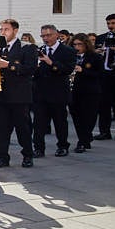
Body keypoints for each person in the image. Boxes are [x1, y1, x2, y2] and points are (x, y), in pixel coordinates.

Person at [0, 19, 38, 168]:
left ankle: (27, 156)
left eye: (6, 29)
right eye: (1, 29)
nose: (3, 32)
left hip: (19, 96)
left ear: (15, 30)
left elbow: (30, 69)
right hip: (1, 95)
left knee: (22, 128)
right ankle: (2, 157)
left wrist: (9, 65)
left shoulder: (27, 47)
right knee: (1, 130)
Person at [32, 24, 78, 158]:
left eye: (48, 35)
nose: (46, 38)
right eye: (43, 36)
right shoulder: (40, 50)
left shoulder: (68, 51)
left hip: (58, 92)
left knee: (60, 121)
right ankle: (38, 148)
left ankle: (63, 146)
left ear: (56, 34)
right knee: (39, 123)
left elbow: (68, 69)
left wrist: (51, 62)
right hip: (40, 92)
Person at [69, 33, 104, 153]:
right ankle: (84, 138)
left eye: (80, 44)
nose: (77, 47)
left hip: (90, 91)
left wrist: (83, 70)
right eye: (74, 44)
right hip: (74, 91)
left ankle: (83, 141)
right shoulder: (70, 56)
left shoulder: (95, 57)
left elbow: (100, 74)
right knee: (76, 116)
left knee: (88, 117)